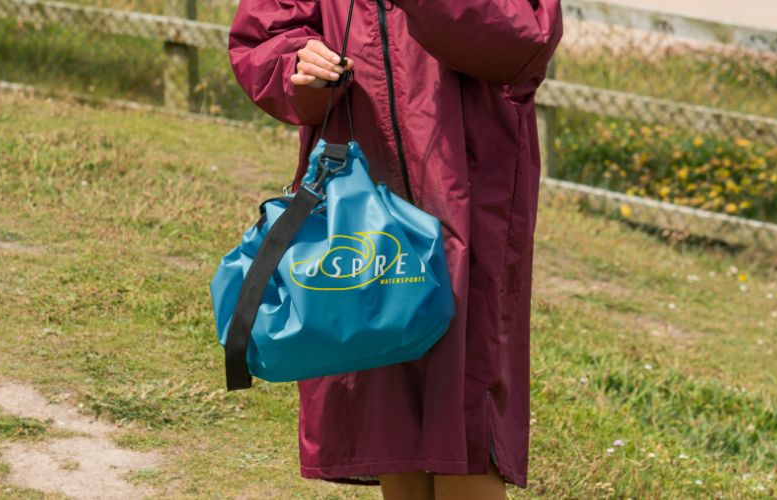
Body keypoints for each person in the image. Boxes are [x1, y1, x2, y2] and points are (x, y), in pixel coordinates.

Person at [228, 1, 563, 498]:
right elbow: (264, 33)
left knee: (465, 406)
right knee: (387, 398)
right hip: (362, 181)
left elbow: (525, 36)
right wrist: (299, 62)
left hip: (468, 182)